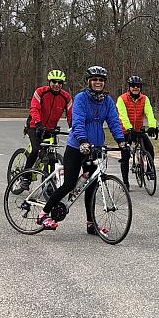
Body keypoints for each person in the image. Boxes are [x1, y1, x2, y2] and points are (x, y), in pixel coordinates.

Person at [37, 66, 127, 233]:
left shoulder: (107, 101)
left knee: (91, 186)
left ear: (104, 83)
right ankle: (43, 213)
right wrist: (83, 141)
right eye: (94, 79)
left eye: (101, 80)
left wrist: (121, 141)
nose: (98, 82)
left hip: (96, 147)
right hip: (77, 146)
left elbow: (114, 121)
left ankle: (91, 224)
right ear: (88, 81)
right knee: (70, 184)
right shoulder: (80, 98)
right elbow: (77, 122)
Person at [21, 69, 73, 190]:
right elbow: (34, 108)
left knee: (52, 154)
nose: (56, 85)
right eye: (54, 82)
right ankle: (25, 177)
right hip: (34, 125)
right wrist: (38, 123)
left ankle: (51, 182)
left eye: (59, 83)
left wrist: (72, 128)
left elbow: (71, 114)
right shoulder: (40, 92)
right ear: (49, 82)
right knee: (35, 150)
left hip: (50, 128)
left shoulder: (66, 97)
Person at [116, 75, 158, 189]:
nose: (135, 88)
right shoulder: (122, 99)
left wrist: (152, 126)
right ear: (129, 87)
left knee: (149, 148)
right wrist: (129, 128)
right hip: (125, 131)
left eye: (138, 86)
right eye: (133, 86)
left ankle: (149, 171)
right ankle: (125, 182)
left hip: (138, 130)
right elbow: (123, 115)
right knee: (125, 156)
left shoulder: (144, 98)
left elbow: (149, 113)